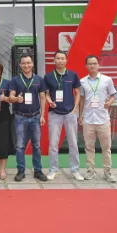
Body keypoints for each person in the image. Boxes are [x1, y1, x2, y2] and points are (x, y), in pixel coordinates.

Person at [43, 49, 84, 181]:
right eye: (58, 58)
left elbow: (78, 93)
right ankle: (53, 170)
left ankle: (75, 170)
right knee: (53, 144)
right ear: (54, 60)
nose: (60, 61)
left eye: (62, 58)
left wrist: (75, 109)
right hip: (54, 114)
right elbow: (46, 93)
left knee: (73, 143)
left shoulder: (73, 75)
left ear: (66, 60)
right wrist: (50, 101)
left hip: (70, 113)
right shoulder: (48, 76)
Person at [80, 55, 117, 183]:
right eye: (90, 63)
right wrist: (80, 115)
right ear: (86, 66)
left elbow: (113, 95)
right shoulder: (82, 82)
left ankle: (107, 171)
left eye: (94, 63)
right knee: (89, 147)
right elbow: (81, 100)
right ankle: (90, 170)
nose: (92, 65)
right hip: (88, 119)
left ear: (98, 65)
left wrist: (109, 103)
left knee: (106, 147)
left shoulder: (107, 80)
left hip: (103, 119)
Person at [11, 54, 48, 182]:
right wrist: (16, 99)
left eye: (28, 63)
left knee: (36, 145)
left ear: (32, 64)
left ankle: (38, 171)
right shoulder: (15, 80)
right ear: (20, 65)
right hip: (20, 117)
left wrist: (42, 115)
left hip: (35, 117)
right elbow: (11, 96)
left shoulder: (39, 79)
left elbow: (42, 97)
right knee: (20, 146)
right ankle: (21, 171)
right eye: (23, 63)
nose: (26, 65)